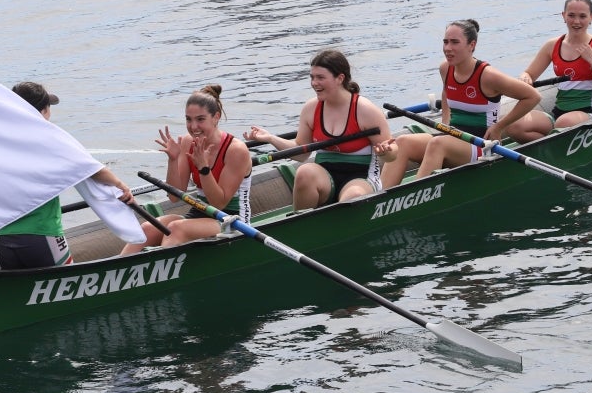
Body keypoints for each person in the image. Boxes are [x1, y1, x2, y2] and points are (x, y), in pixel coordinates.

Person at [381, 20, 544, 186]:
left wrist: (499, 127)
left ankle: (413, 200)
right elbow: (446, 93)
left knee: (437, 144)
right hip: (453, 138)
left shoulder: (488, 75)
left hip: (481, 144)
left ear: (471, 45)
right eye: (445, 42)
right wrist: (446, 121)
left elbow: (532, 96)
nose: (448, 48)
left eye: (455, 42)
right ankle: (378, 204)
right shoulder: (445, 68)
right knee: (403, 142)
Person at [0, 81, 135, 270]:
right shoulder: (49, 137)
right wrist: (120, 185)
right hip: (42, 236)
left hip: (4, 238)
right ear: (43, 110)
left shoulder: (0, 141)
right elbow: (92, 170)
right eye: (49, 107)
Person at [246, 49, 397, 211]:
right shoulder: (311, 108)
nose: (314, 83)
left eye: (320, 77)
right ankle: (300, 225)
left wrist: (385, 152)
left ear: (340, 78)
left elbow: (393, 153)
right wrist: (270, 138)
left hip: (361, 177)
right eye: (312, 77)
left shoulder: (364, 109)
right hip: (325, 177)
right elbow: (301, 153)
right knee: (304, 172)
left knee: (352, 196)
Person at [121, 85, 253, 255]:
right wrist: (173, 160)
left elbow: (219, 203)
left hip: (232, 219)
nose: (193, 126)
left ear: (216, 117)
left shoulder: (236, 150)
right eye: (188, 119)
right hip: (199, 214)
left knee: (175, 229)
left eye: (200, 119)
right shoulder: (187, 142)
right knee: (147, 229)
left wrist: (203, 169)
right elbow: (175, 196)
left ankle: (165, 274)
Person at [512, 0, 592, 141]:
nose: (576, 21)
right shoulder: (552, 45)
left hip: (590, 112)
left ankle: (554, 142)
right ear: (563, 16)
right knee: (513, 125)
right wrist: (525, 77)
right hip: (559, 113)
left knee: (564, 123)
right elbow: (529, 74)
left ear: (591, 18)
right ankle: (548, 150)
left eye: (582, 16)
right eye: (571, 15)